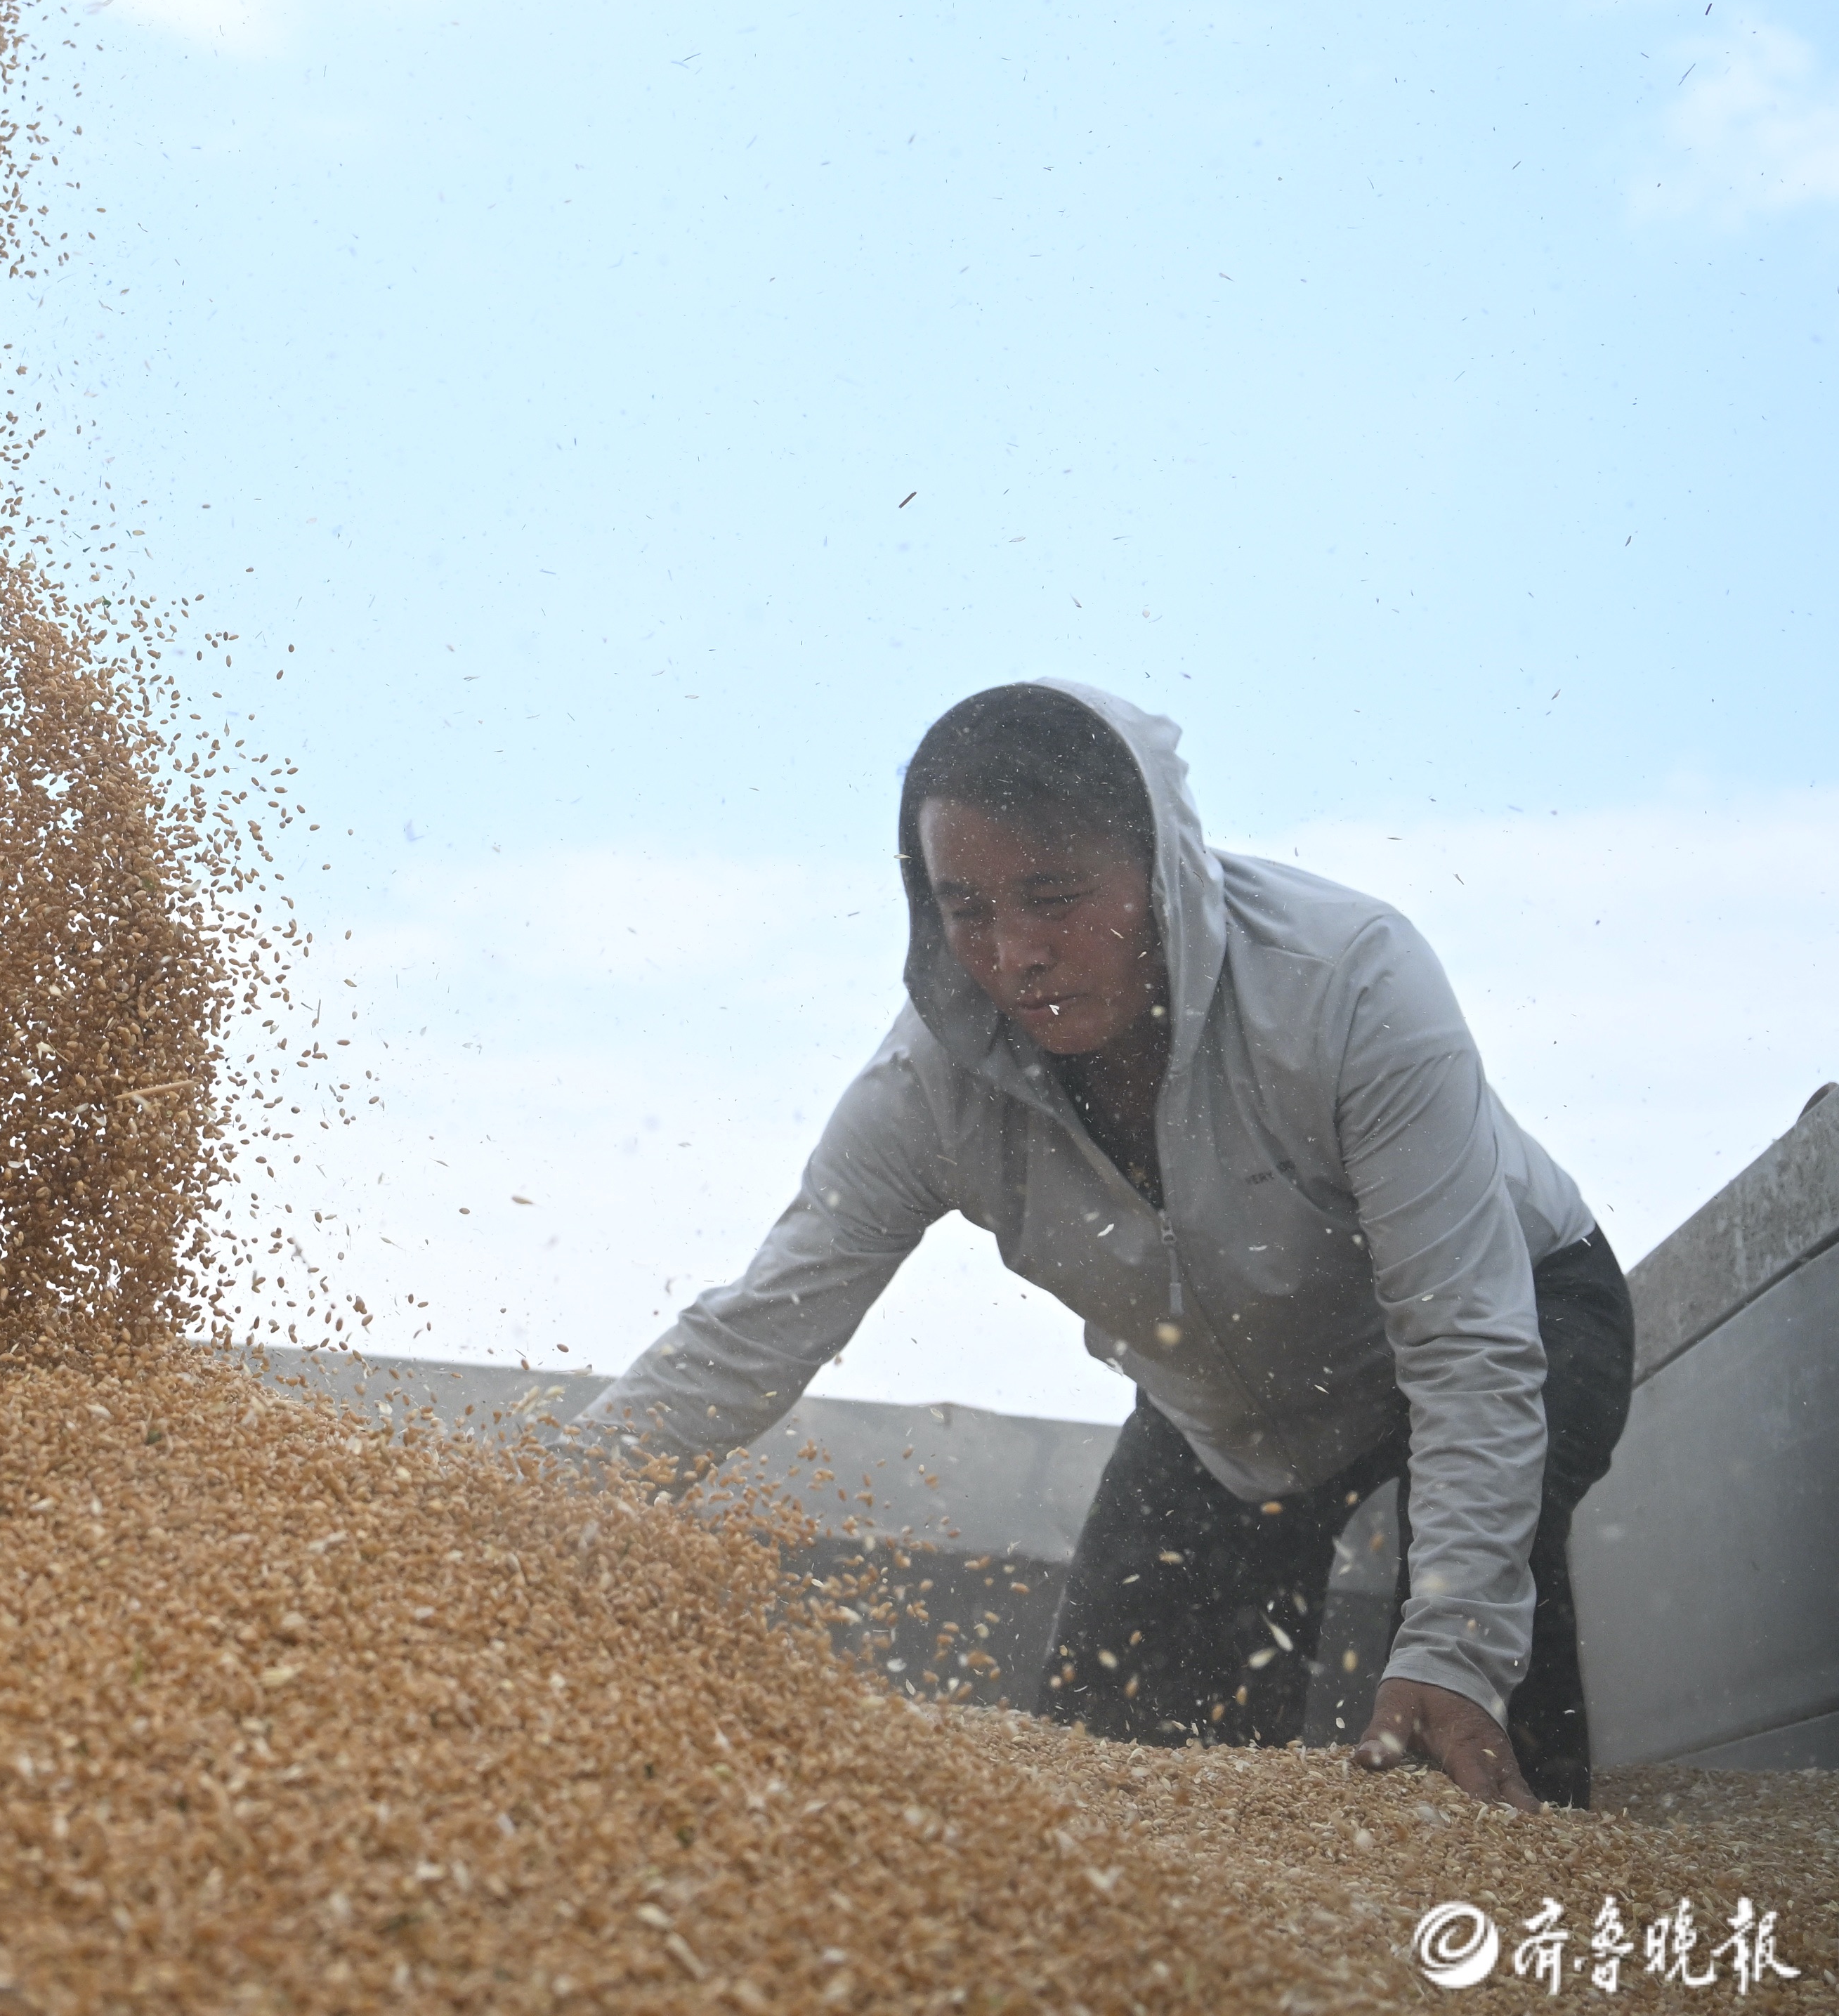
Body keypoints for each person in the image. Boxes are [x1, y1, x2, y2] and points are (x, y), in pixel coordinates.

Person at [574, 680, 1632, 1809]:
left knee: (1474, 1755)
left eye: (1055, 896)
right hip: (1228, 1414)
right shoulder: (930, 1089)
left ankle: (1528, 1816)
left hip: (1517, 1312)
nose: (1016, 952)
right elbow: (759, 1327)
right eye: (965, 909)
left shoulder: (1350, 983)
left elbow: (1466, 1336)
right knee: (1117, 1774)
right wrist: (551, 1514)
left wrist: (1454, 1651)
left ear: (1163, 872)